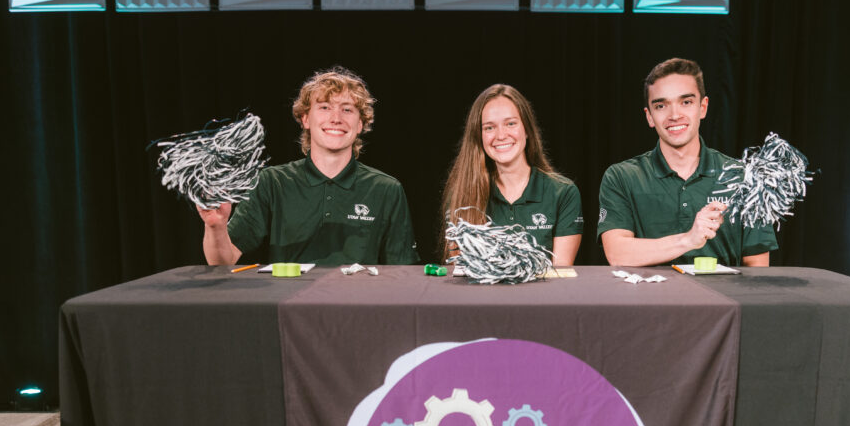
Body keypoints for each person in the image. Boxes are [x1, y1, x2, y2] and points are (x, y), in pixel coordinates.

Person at [197, 67, 419, 266]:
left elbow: (403, 275)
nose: (336, 118)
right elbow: (222, 261)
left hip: (358, 300)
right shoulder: (271, 182)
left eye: (347, 109)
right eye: (324, 107)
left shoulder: (386, 189)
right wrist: (215, 226)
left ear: (360, 124)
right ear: (305, 119)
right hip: (289, 300)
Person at [598, 58, 776, 267]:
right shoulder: (622, 177)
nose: (674, 115)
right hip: (649, 290)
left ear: (703, 107)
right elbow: (617, 254)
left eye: (686, 102)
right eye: (661, 105)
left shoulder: (744, 176)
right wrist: (689, 239)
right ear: (650, 116)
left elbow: (757, 267)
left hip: (723, 290)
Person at [440, 84, 583, 266]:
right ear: (479, 136)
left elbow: (560, 274)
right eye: (489, 128)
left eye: (510, 124)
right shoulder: (461, 194)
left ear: (527, 130)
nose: (501, 135)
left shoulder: (564, 193)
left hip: (544, 287)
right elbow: (460, 270)